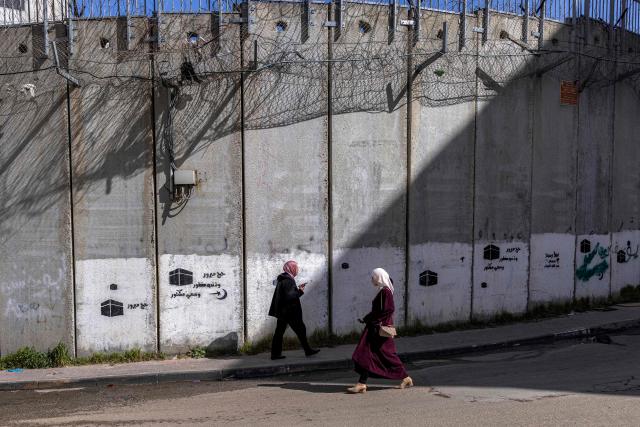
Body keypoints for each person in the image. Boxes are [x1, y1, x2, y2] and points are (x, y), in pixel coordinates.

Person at [348, 268, 413, 393]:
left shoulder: (385, 292)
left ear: (379, 277)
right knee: (371, 354)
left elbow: (389, 309)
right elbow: (378, 311)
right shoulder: (382, 291)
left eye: (373, 277)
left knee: (382, 354)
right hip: (374, 328)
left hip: (379, 330)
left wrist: (377, 321)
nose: (372, 280)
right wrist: (366, 319)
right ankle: (362, 383)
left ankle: (362, 383)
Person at [268, 260, 320, 360]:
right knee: (300, 329)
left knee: (280, 332)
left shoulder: (283, 278)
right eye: (295, 268)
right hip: (290, 312)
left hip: (284, 312)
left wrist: (297, 289)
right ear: (291, 268)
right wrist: (300, 290)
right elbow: (291, 296)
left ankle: (275, 354)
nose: (297, 270)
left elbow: (287, 294)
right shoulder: (288, 280)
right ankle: (307, 350)